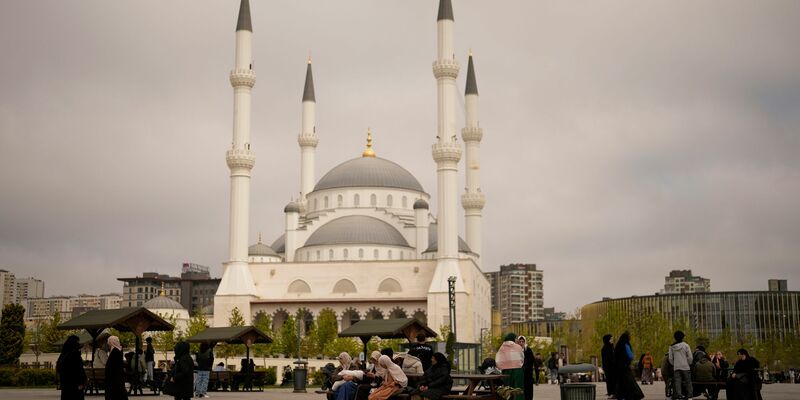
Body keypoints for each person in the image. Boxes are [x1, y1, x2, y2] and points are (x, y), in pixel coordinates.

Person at [613, 332, 644, 400]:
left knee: (621, 382)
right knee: (629, 381)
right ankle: (634, 395)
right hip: (625, 366)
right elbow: (630, 356)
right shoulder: (626, 344)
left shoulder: (618, 345)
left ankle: (620, 395)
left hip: (618, 367)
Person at [496, 333, 525, 400]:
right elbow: (522, 358)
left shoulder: (502, 348)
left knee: (507, 389)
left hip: (506, 371)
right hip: (518, 370)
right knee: (518, 389)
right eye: (515, 338)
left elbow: (498, 360)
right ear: (513, 338)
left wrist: (502, 367)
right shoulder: (518, 347)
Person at [57, 334, 87, 400]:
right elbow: (79, 370)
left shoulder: (63, 355)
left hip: (66, 385)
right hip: (75, 385)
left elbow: (58, 369)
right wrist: (81, 382)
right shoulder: (75, 355)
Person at [668, 331, 693, 400]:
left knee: (677, 382)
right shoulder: (686, 345)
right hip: (685, 366)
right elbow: (690, 357)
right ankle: (690, 396)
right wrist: (689, 363)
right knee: (688, 382)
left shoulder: (672, 347)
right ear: (682, 337)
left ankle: (679, 395)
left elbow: (670, 358)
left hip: (676, 367)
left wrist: (674, 364)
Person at [104, 335, 128, 400]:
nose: (108, 343)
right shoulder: (117, 350)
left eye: (109, 341)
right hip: (116, 380)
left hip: (114, 381)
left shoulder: (115, 351)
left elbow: (114, 367)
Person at [517, 336, 534, 400]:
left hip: (528, 374)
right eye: (520, 341)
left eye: (523, 341)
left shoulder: (528, 350)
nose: (521, 343)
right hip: (520, 373)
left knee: (528, 389)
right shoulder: (517, 351)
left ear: (525, 342)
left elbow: (531, 361)